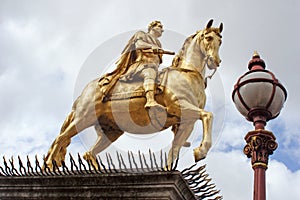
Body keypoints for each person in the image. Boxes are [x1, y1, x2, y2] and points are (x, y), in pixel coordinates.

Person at [99, 20, 165, 109]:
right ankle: (150, 101)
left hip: (153, 67)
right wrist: (152, 47)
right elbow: (139, 44)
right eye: (160, 27)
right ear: (152, 27)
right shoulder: (141, 34)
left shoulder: (158, 43)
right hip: (141, 66)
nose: (162, 30)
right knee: (149, 74)